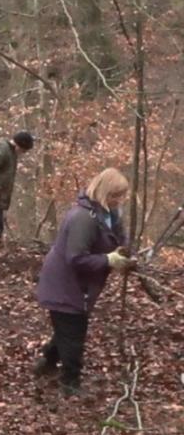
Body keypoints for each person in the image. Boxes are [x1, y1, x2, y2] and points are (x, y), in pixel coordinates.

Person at [33, 168, 134, 396]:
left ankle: (47, 363)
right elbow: (76, 257)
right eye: (114, 196)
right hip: (65, 284)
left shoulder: (110, 214)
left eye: (121, 196)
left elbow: (120, 238)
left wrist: (126, 254)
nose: (119, 201)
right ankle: (70, 383)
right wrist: (108, 259)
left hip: (81, 286)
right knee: (74, 334)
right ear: (103, 191)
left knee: (66, 330)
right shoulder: (82, 218)